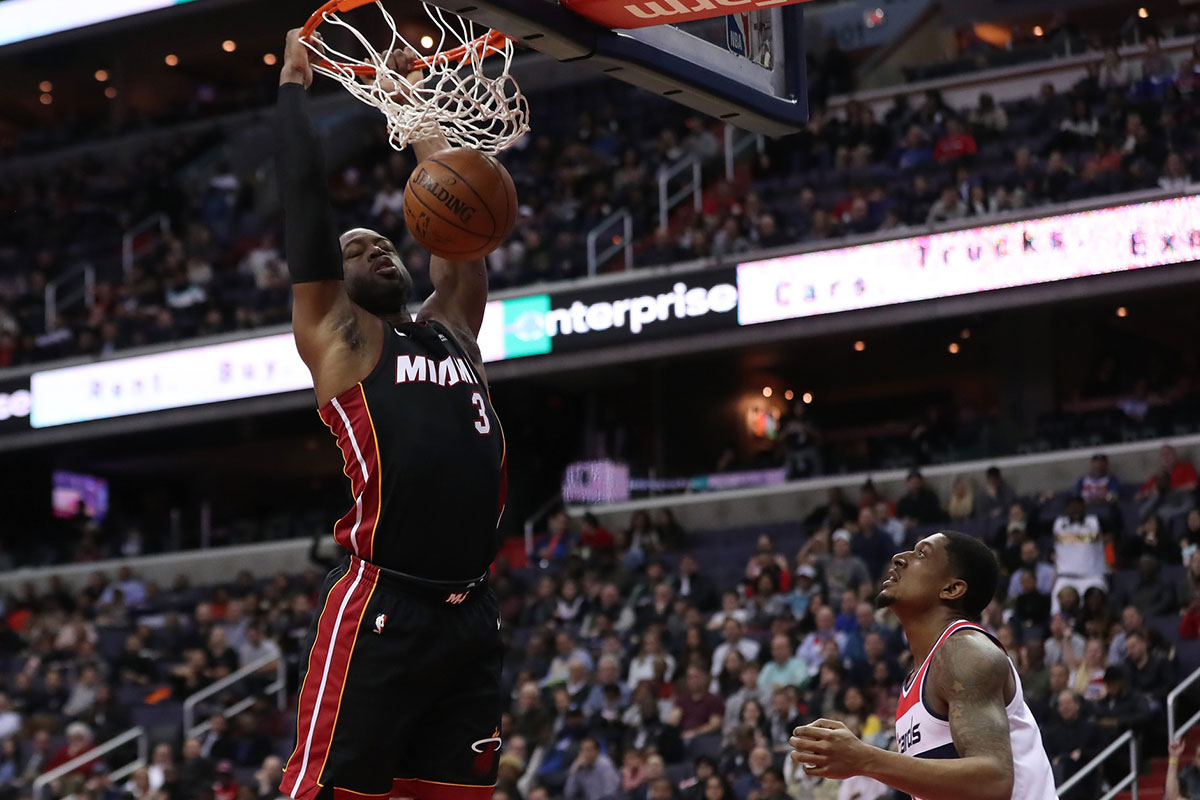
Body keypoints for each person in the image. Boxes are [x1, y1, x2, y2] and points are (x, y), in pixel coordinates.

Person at [275, 34, 508, 800]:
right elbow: (306, 208)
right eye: (356, 250)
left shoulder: (453, 330)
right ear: (330, 281)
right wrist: (292, 89)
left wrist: (421, 118)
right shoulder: (339, 336)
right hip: (385, 603)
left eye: (382, 241)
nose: (376, 247)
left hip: (471, 612)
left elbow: (462, 240)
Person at [788, 531, 1056, 799]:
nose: (899, 558)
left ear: (952, 589)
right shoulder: (917, 678)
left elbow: (993, 780)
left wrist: (864, 758)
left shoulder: (964, 651)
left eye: (921, 554)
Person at [1051, 496, 1107, 613]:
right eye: (1072, 506)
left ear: (1084, 506)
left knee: (1095, 599)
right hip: (1066, 577)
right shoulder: (1059, 524)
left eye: (1078, 505)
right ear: (1066, 508)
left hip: (1092, 576)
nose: (1075, 509)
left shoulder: (1095, 522)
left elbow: (1116, 529)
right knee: (1060, 603)